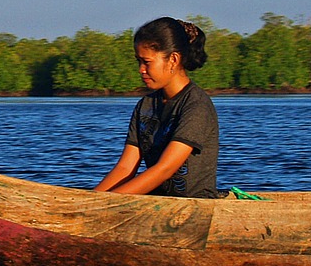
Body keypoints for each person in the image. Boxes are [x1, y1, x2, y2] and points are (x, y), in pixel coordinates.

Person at [93, 17, 219, 198]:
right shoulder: (146, 105)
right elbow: (125, 168)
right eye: (139, 62)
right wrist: (91, 200)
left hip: (193, 207)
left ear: (173, 59)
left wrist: (104, 205)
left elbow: (164, 169)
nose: (141, 70)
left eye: (147, 62)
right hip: (156, 204)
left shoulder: (196, 106)